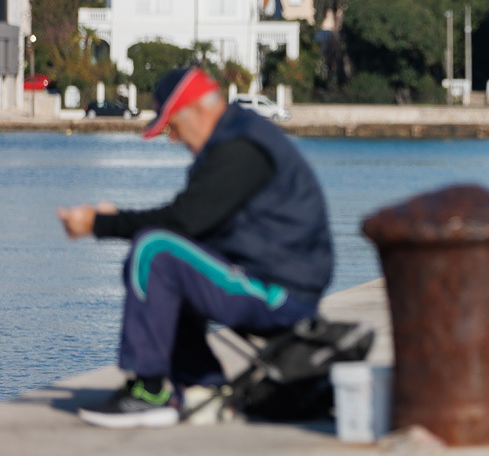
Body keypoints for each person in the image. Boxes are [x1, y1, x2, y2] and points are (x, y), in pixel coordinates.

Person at [57, 67, 334, 428]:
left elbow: (183, 220)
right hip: (274, 280)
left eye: (171, 126)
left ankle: (149, 392)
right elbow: (194, 224)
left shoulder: (240, 147)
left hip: (280, 293)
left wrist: (100, 223)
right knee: (171, 255)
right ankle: (205, 387)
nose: (173, 140)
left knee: (154, 250)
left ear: (198, 112)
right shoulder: (236, 137)